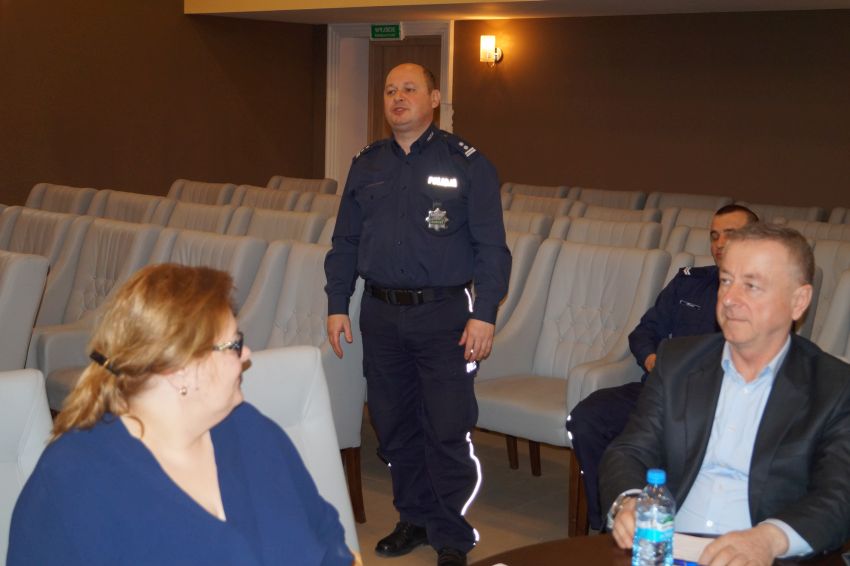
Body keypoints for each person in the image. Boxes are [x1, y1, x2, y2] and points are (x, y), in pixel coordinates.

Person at [8, 264, 356, 566]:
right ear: (179, 371)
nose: (247, 353)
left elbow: (330, 542)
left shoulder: (251, 430)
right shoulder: (74, 479)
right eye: (234, 345)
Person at [324, 63, 511, 566]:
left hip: (444, 315)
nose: (398, 97)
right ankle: (414, 517)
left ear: (434, 98)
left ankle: (452, 532)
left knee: (447, 427)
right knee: (393, 424)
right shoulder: (367, 164)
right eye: (390, 90)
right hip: (380, 314)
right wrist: (337, 304)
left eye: (409, 89)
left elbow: (492, 248)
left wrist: (484, 313)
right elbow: (345, 242)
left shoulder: (468, 163)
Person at [601, 223, 850, 564]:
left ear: (798, 301)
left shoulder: (834, 386)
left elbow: (839, 496)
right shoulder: (678, 362)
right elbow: (630, 450)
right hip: (667, 546)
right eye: (726, 280)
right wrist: (630, 501)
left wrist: (770, 539)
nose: (730, 299)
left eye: (751, 285)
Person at [567, 204, 757, 530]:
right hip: (659, 391)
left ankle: (676, 524)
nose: (720, 243)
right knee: (587, 417)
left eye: (731, 234)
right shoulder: (689, 283)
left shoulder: (761, 298)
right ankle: (610, 523)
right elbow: (644, 332)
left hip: (713, 405)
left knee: (676, 444)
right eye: (714, 236)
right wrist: (651, 359)